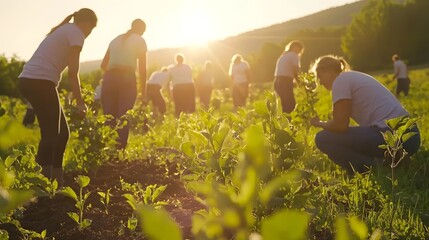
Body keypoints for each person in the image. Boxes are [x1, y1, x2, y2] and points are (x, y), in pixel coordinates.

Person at [18, 8, 98, 186]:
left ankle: (57, 179)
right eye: (91, 29)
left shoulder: (65, 29)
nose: (89, 34)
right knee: (51, 134)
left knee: (62, 134)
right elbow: (73, 73)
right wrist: (80, 103)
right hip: (39, 81)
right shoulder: (76, 33)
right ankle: (41, 184)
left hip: (31, 80)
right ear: (86, 23)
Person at [310, 55, 420, 174]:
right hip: (411, 137)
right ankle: (394, 160)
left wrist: (319, 123)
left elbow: (340, 125)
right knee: (352, 136)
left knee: (323, 138)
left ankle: (376, 167)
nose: (319, 82)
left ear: (328, 71)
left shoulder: (340, 81)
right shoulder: (351, 77)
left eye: (319, 76)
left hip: (394, 135)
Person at [100, 19, 147, 150]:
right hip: (127, 77)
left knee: (109, 115)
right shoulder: (139, 40)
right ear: (142, 29)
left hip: (109, 77)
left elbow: (103, 65)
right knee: (123, 115)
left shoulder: (115, 40)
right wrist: (143, 93)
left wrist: (112, 75)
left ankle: (106, 149)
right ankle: (119, 150)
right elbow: (143, 69)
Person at [274, 40, 304, 113]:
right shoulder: (294, 55)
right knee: (290, 105)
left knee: (284, 104)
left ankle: (285, 122)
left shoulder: (283, 56)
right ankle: (290, 122)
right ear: (294, 47)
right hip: (285, 82)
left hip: (277, 82)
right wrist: (301, 83)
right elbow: (296, 70)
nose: (300, 51)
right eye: (299, 48)